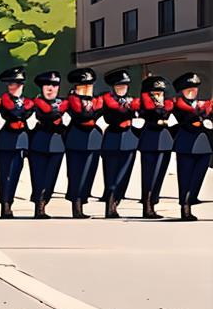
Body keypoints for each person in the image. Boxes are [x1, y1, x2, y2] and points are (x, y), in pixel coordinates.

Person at [100, 69, 140, 218]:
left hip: (129, 140)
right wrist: (130, 112)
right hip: (112, 139)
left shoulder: (131, 100)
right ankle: (110, 204)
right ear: (114, 87)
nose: (123, 89)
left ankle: (116, 201)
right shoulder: (108, 100)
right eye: (119, 86)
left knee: (124, 175)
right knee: (111, 175)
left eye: (125, 86)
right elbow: (112, 117)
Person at [64, 67, 103, 219]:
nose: (87, 88)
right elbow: (83, 114)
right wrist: (94, 107)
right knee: (76, 173)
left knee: (89, 172)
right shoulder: (73, 98)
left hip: (93, 139)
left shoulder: (93, 99)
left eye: (89, 85)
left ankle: (83, 201)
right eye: (84, 85)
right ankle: (76, 205)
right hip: (77, 137)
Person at [28, 70, 67, 219]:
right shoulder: (34, 104)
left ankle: (45, 201)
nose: (51, 89)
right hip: (39, 143)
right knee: (38, 177)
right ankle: (39, 206)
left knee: (51, 177)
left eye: (54, 85)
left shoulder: (63, 104)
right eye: (47, 85)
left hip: (57, 144)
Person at [171, 72, 209, 221]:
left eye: (194, 89)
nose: (193, 92)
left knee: (198, 176)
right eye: (189, 90)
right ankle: (185, 207)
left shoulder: (201, 104)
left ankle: (192, 198)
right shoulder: (177, 105)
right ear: (182, 91)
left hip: (203, 145)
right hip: (186, 144)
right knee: (185, 177)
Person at [0, 66, 32, 218]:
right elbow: (13, 113)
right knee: (5, 175)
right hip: (7, 142)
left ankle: (10, 202)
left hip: (21, 142)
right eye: (10, 84)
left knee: (15, 174)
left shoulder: (26, 102)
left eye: (15, 84)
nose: (12, 87)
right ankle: (5, 204)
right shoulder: (3, 100)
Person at [137, 75, 175, 219]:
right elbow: (155, 113)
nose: (159, 96)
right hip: (150, 140)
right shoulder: (145, 102)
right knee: (149, 175)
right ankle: (147, 206)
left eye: (161, 93)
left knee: (159, 174)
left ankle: (153, 203)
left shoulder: (166, 103)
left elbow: (166, 112)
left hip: (164, 140)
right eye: (155, 93)